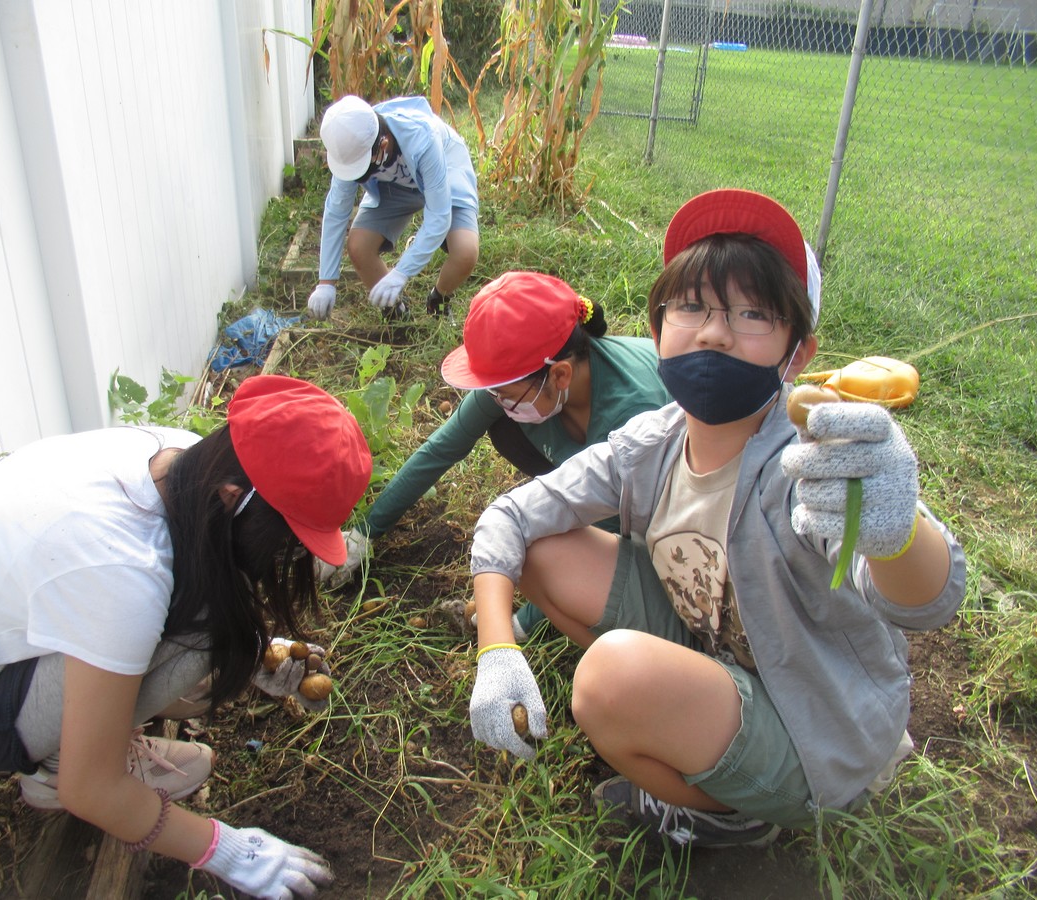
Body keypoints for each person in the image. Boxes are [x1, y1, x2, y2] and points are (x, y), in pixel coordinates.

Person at [466, 189, 968, 848]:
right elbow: (510, 518)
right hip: (719, 656)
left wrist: (898, 532)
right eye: (692, 306)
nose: (713, 330)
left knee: (606, 679)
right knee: (542, 549)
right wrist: (497, 649)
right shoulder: (650, 443)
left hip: (814, 728)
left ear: (798, 352)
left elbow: (928, 603)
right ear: (656, 329)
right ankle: (672, 714)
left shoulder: (806, 467)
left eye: (752, 312)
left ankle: (737, 814)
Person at [0, 375, 373, 898]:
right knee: (210, 626)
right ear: (234, 496)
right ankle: (53, 770)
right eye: (286, 537)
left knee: (216, 606)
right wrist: (229, 851)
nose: (285, 555)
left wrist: (259, 654)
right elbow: (93, 789)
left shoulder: (183, 459)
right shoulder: (125, 574)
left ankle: (87, 731)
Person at [321, 271, 672, 641]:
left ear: (560, 376)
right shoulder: (517, 382)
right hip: (584, 448)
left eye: (504, 393)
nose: (496, 400)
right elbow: (442, 448)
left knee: (567, 547)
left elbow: (614, 530)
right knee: (504, 426)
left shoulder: (632, 415)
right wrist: (364, 533)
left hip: (655, 498)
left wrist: (523, 622)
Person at [306, 94, 480, 321]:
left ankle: (439, 299)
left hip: (446, 172)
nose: (358, 175)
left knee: (465, 252)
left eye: (363, 170)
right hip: (394, 186)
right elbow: (336, 211)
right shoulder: (350, 147)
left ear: (383, 145)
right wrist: (326, 282)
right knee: (359, 246)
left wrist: (401, 272)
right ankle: (395, 313)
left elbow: (438, 216)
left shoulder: (422, 138)